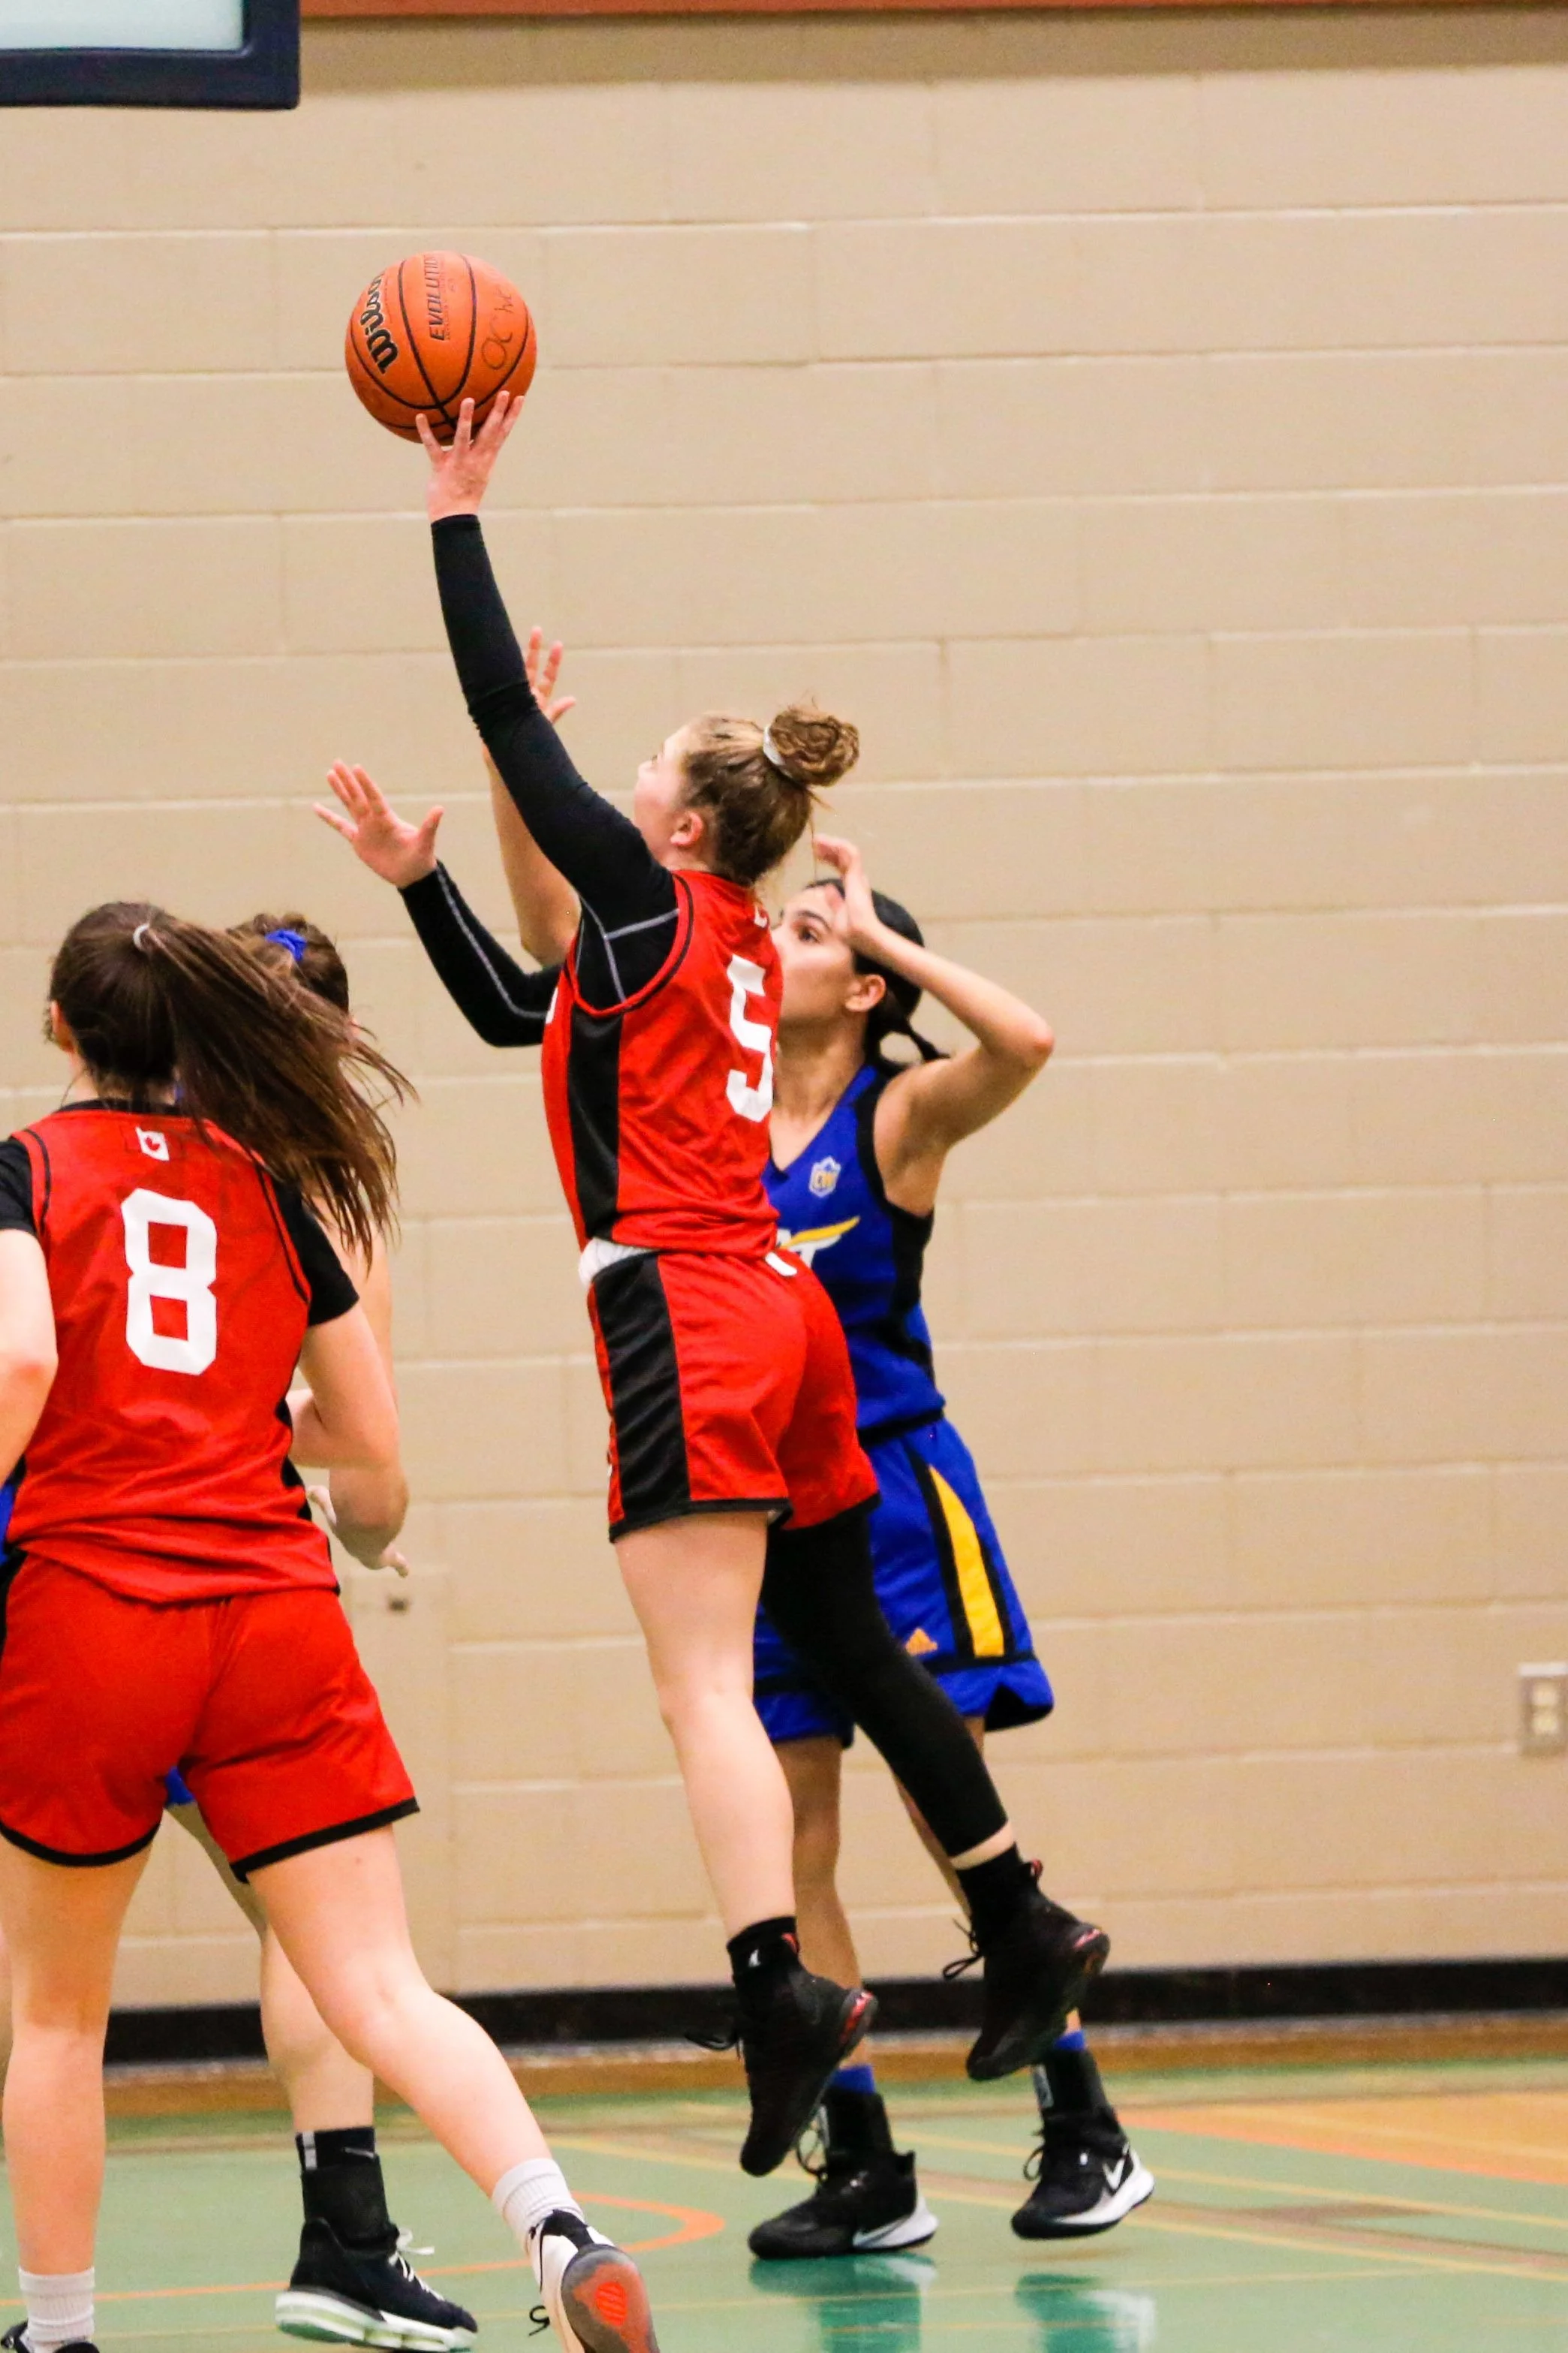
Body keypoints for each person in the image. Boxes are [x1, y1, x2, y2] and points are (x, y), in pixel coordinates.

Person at [315, 389, 1109, 2182]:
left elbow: (503, 715)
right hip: (786, 1310)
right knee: (841, 1641)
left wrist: (456, 509)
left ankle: (781, 1989)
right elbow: (524, 1014)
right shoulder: (731, 939)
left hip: (681, 1300)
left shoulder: (655, 904)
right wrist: (432, 883)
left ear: (672, 828)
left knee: (708, 1688)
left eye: (643, 779)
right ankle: (1025, 1918)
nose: (625, 791)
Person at [0, 901, 659, 2353]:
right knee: (379, 1982)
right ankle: (556, 2223)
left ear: (61, 1029)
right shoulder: (278, 1186)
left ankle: (57, 2331)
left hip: (95, 1606)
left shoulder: (26, 1168)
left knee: (55, 2015)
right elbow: (369, 1461)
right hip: (276, 1609)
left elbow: (21, 1352)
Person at [748, 847, 1154, 2256]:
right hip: (766, 1516)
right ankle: (866, 2164)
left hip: (900, 1499)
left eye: (811, 932)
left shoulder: (900, 1111)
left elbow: (1027, 1039)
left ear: (863, 983)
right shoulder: (727, 1121)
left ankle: (1087, 2124)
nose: (781, 940)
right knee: (788, 1830)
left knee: (944, 1813)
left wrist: (885, 936)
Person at [162, 911, 469, 2351]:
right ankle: (347, 2231)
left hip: (49, 1576)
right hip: (218, 1594)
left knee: (49, 1986)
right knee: (324, 1924)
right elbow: (370, 1475)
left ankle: (59, 2309)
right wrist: (379, 1523)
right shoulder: (314, 1193)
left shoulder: (77, 1151)